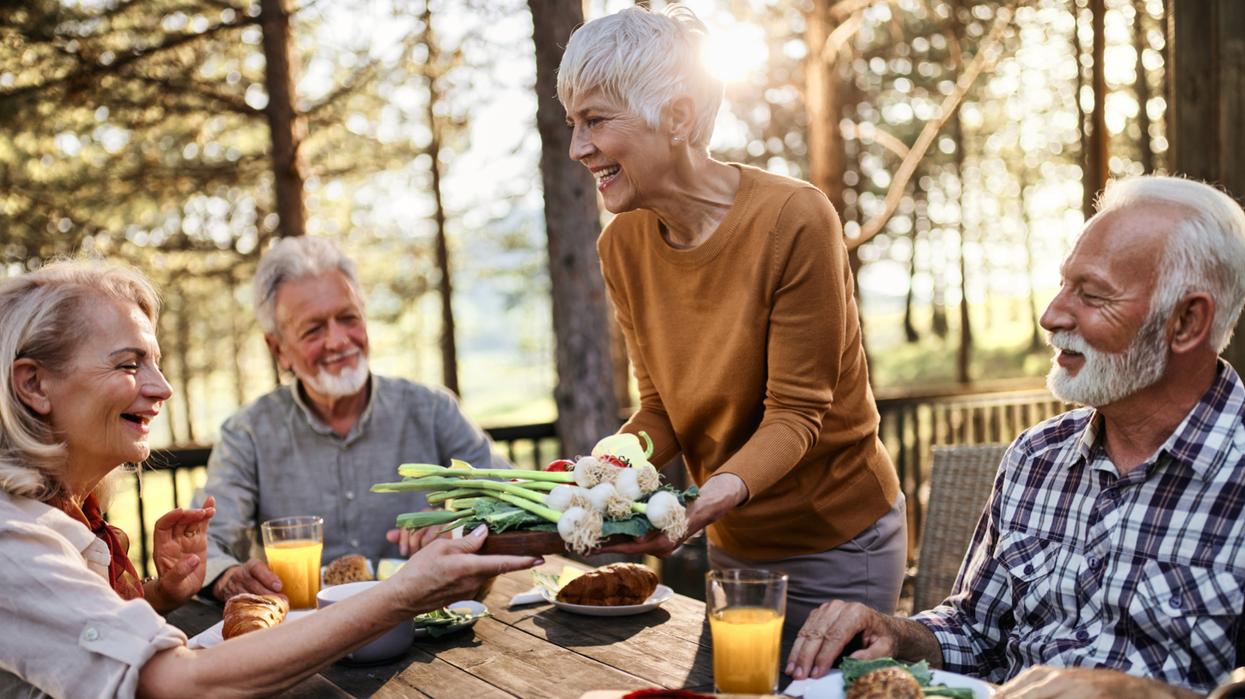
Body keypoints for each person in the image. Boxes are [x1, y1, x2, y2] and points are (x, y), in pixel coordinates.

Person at [787, 175, 1245, 699]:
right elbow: (974, 631)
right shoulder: (1037, 455)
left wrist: (1142, 693)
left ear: (1187, 321)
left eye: (1092, 295)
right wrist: (898, 633)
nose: (1051, 316)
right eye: (1063, 285)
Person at [0, 260, 540, 698]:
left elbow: (511, 499)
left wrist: (160, 594)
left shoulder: (72, 515)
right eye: (129, 364)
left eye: (348, 318)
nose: (164, 389)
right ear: (35, 386)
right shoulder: (15, 538)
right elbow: (178, 681)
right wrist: (403, 592)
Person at [557, 4, 906, 633]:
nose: (579, 147)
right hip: (733, 536)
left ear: (678, 116)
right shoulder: (622, 247)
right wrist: (601, 474)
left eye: (596, 120)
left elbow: (797, 413)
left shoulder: (794, 219)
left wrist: (694, 506)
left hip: (835, 538)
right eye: (572, 123)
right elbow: (660, 409)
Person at [192, 236, 510, 603]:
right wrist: (230, 576)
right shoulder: (246, 434)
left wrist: (458, 526)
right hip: (305, 640)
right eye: (313, 330)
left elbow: (509, 497)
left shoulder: (434, 411)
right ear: (278, 349)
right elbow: (207, 545)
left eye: (348, 318)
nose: (339, 341)